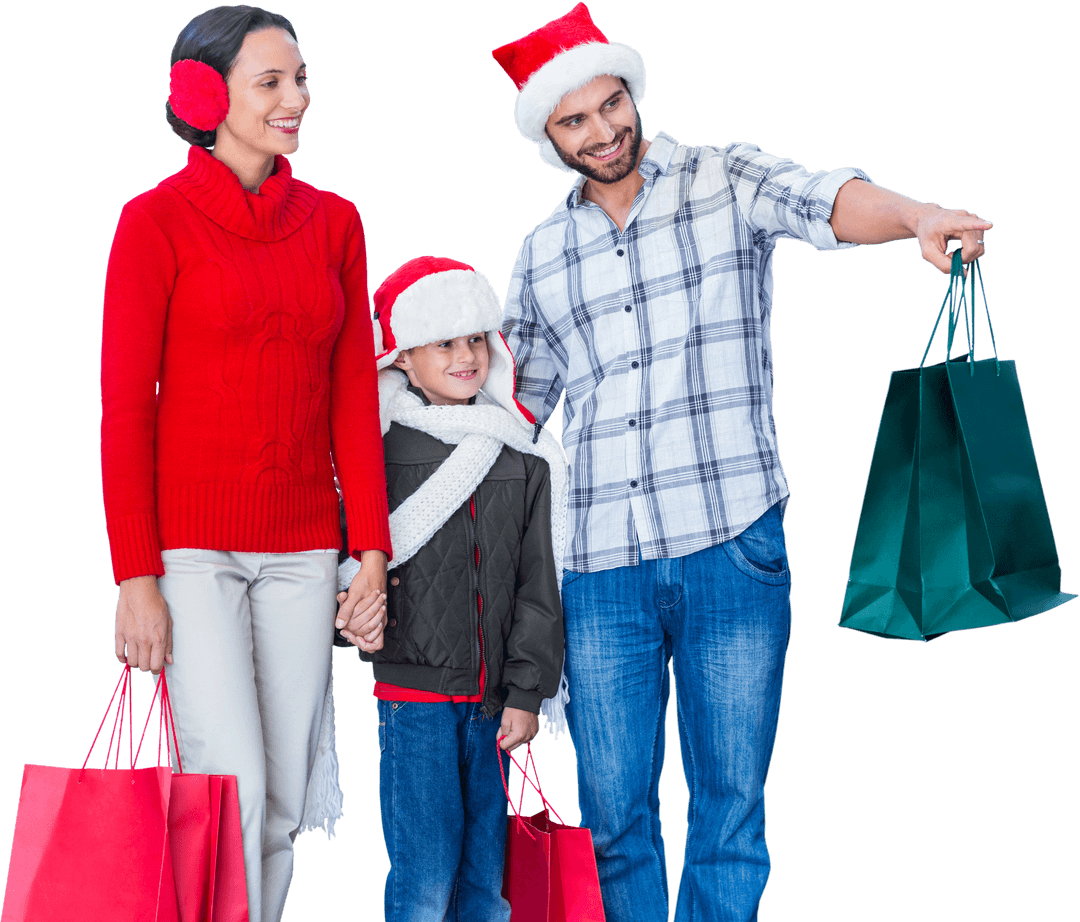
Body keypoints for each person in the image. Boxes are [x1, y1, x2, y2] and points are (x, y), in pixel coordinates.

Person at [491, 4, 992, 921]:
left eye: (613, 105)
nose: (604, 131)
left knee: (730, 814)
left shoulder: (725, 178)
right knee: (613, 818)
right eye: (576, 121)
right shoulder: (541, 255)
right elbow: (512, 407)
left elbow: (828, 198)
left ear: (631, 93)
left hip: (732, 550)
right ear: (548, 136)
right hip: (600, 571)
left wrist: (916, 215)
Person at [100, 7, 392, 921]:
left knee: (283, 803)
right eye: (270, 82)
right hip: (193, 556)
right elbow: (122, 410)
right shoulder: (153, 223)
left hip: (306, 552)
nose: (297, 98)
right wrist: (135, 577)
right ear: (204, 95)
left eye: (300, 79)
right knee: (230, 788)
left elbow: (353, 397)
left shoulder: (336, 223)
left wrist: (370, 552)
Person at [335, 256, 567, 922]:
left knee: (484, 887)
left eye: (475, 340)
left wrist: (527, 693)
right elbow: (340, 564)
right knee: (423, 880)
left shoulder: (524, 457)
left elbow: (537, 585)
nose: (467, 356)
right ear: (403, 356)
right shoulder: (375, 453)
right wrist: (348, 616)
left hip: (496, 704)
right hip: (414, 703)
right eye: (445, 342)